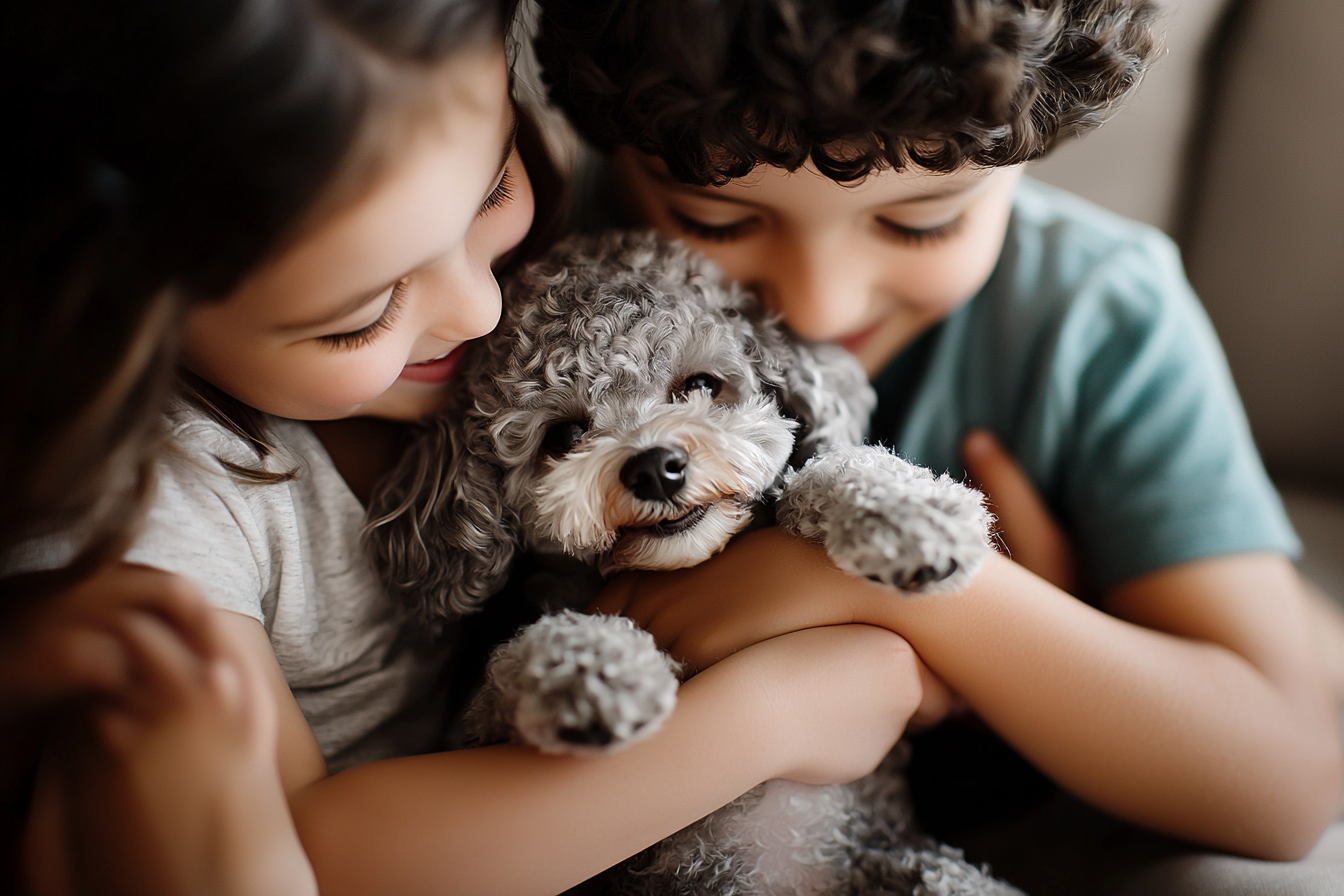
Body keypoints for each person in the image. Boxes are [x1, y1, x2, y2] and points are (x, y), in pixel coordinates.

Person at [5, 2, 935, 894]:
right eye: (359, 315)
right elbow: (307, 864)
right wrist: (771, 718)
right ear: (120, 314)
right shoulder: (157, 517)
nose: (480, 309)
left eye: (493, 187)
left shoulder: (572, 258)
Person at [531, 0, 1344, 892]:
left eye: (921, 222)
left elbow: (1286, 782)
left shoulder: (1095, 316)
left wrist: (907, 586)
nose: (823, 305)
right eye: (717, 220)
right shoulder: (540, 272)